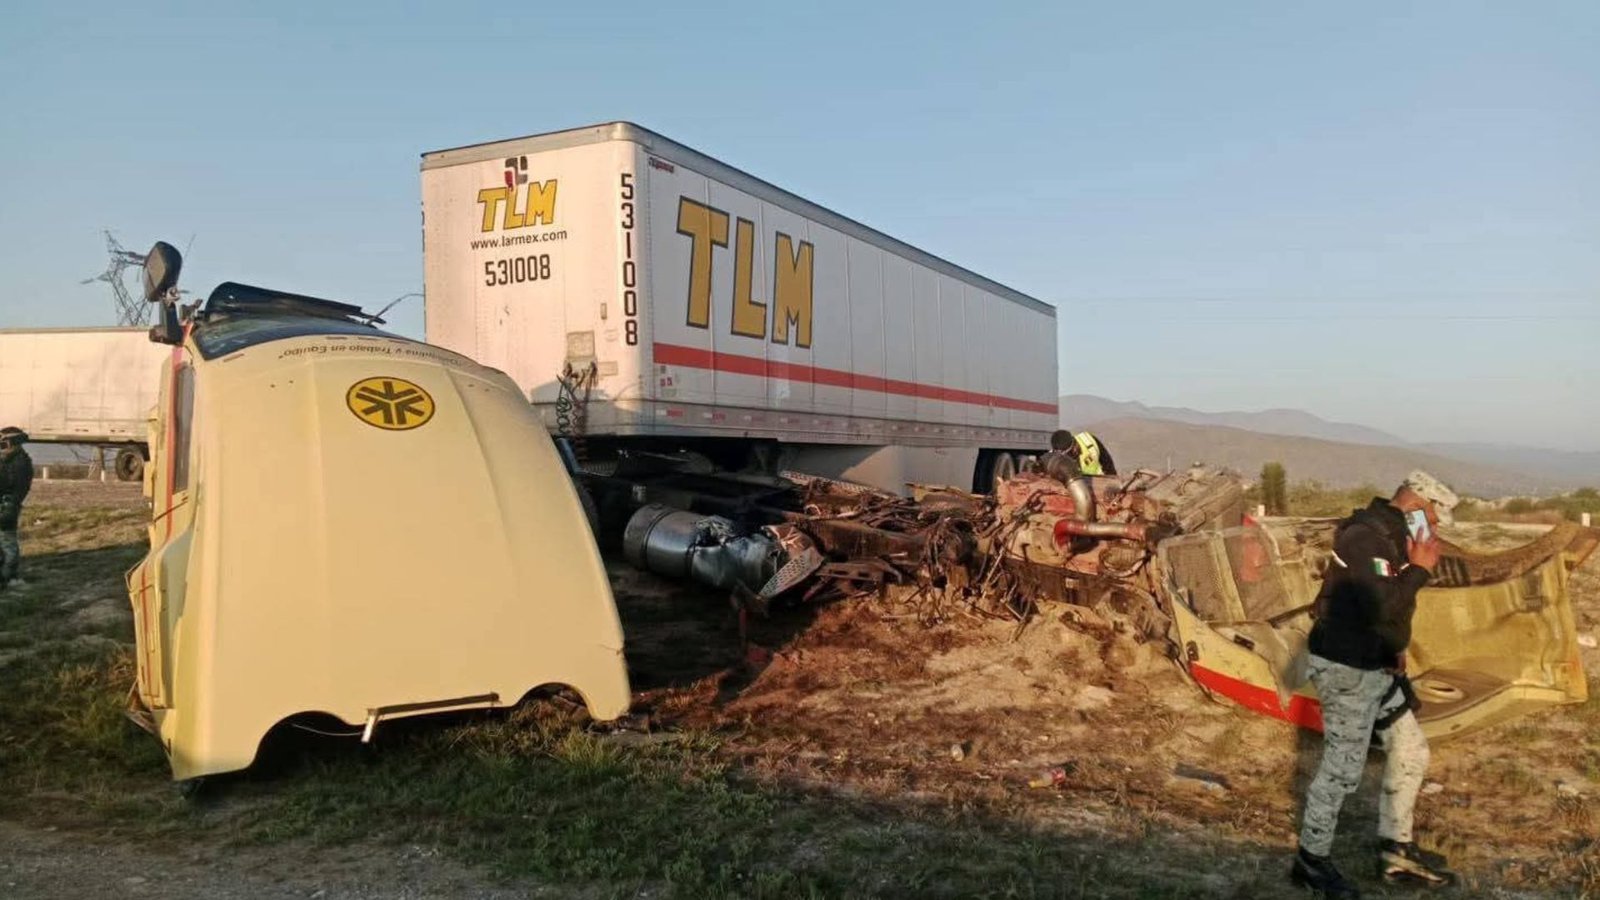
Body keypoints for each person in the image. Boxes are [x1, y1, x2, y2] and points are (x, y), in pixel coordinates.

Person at [1291, 470, 1460, 896]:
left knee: (1411, 750)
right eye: (1435, 518)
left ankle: (1396, 851)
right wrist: (1420, 569)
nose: (1436, 529)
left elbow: (1385, 606)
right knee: (1342, 770)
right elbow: (1380, 604)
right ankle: (1311, 862)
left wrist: (1394, 647)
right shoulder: (1365, 538)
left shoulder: (1389, 536)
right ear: (1419, 505)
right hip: (1348, 668)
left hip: (1377, 663)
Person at [0, 427, 33, 590]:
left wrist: (10, 506)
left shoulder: (20, 463)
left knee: (7, 541)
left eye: (3, 444)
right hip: (6, 504)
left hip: (8, 506)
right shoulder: (9, 460)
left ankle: (9, 576)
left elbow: (18, 489)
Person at [1039, 429, 1118, 483]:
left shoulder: (1088, 440)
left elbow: (1107, 463)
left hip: (1099, 485)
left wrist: (1113, 481)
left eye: (1072, 449)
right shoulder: (1052, 460)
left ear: (1074, 442)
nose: (1073, 452)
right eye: (1067, 454)